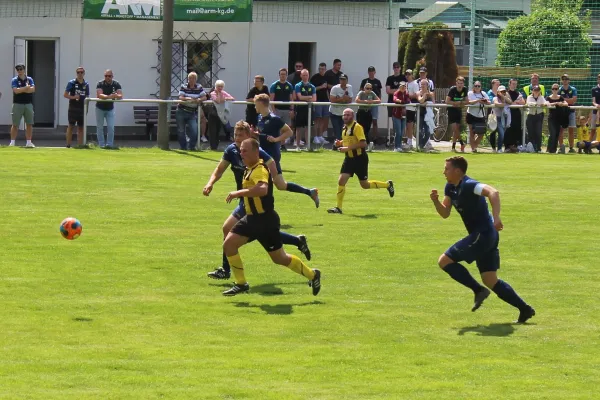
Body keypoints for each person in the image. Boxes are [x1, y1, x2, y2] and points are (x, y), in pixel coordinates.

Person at [430, 156, 535, 323]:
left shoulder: (470, 185)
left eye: (447, 169)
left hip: (484, 234)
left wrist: (496, 217)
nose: (443, 172)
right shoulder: (450, 188)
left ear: (458, 171)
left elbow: (493, 192)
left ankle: (478, 290)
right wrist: (436, 202)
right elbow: (445, 213)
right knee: (490, 279)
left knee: (444, 261)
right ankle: (525, 309)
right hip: (486, 237)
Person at [203, 121, 312, 280]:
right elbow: (219, 169)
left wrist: (276, 179)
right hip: (245, 201)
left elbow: (271, 163)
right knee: (251, 232)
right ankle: (296, 240)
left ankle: (227, 271)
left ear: (248, 136)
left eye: (241, 135)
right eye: (235, 135)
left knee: (237, 231)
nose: (237, 139)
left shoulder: (256, 152)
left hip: (255, 201)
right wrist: (210, 183)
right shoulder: (232, 150)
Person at [221, 138, 322, 296]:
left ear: (256, 152)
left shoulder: (260, 169)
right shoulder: (249, 168)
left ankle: (313, 275)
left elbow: (262, 189)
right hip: (251, 219)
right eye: (240, 150)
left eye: (245, 150)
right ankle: (241, 283)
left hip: (265, 221)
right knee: (229, 245)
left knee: (280, 258)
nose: (241, 153)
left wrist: (238, 193)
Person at [254, 94, 320, 207]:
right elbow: (263, 135)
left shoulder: (274, 119)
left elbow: (289, 132)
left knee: (264, 182)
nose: (254, 106)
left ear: (261, 104)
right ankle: (310, 192)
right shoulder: (260, 118)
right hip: (262, 154)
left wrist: (276, 139)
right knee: (280, 185)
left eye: (255, 104)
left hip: (272, 156)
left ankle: (266, 210)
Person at [327, 108, 394, 214]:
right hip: (349, 159)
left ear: (352, 116)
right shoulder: (345, 128)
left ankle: (387, 185)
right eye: (344, 115)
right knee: (341, 181)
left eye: (348, 115)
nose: (346, 117)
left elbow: (363, 143)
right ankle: (338, 208)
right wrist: (340, 143)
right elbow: (348, 141)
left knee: (365, 185)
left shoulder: (357, 127)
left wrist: (347, 148)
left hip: (360, 159)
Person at [176, 71, 207, 151]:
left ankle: (191, 147)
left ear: (196, 79)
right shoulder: (184, 86)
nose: (191, 80)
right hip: (181, 111)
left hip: (192, 112)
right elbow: (181, 97)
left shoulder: (199, 87)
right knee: (181, 131)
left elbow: (205, 97)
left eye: (193, 78)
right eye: (190, 78)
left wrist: (199, 99)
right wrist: (189, 99)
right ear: (188, 79)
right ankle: (183, 147)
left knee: (195, 131)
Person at [95, 69, 123, 149]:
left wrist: (115, 96)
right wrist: (110, 96)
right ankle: (101, 145)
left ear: (112, 76)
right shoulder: (100, 84)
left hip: (110, 109)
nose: (107, 77)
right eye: (106, 76)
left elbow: (120, 96)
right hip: (99, 108)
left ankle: (109, 145)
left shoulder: (116, 84)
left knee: (111, 127)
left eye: (109, 76)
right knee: (99, 127)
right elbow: (100, 95)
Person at [10, 64, 35, 147]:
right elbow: (16, 91)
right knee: (15, 124)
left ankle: (29, 142)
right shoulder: (15, 80)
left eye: (21, 69)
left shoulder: (29, 79)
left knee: (29, 123)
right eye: (18, 70)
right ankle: (12, 142)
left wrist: (22, 89)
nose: (19, 71)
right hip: (17, 104)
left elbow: (32, 90)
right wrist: (26, 88)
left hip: (28, 104)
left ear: (24, 70)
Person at [63, 66, 89, 148]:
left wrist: (86, 109)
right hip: (73, 108)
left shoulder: (86, 84)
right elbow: (65, 95)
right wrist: (74, 97)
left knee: (81, 128)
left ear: (84, 73)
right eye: (78, 72)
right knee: (71, 126)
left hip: (82, 108)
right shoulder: (72, 83)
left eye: (81, 72)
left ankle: (80, 145)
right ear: (76, 73)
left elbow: (87, 97)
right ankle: (68, 144)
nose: (80, 74)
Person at [359, 66, 383, 145]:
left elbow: (379, 93)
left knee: (374, 121)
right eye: (370, 71)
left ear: (374, 72)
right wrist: (364, 101)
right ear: (368, 72)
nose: (371, 72)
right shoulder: (364, 81)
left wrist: (376, 101)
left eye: (372, 71)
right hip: (365, 105)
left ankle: (375, 138)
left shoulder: (377, 81)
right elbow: (360, 91)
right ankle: (364, 137)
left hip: (374, 104)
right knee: (364, 121)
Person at [293, 69, 316, 148]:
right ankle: (298, 146)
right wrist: (309, 97)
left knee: (307, 127)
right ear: (301, 76)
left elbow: (314, 99)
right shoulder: (298, 85)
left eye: (306, 75)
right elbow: (299, 97)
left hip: (308, 109)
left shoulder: (312, 86)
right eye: (303, 75)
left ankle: (308, 146)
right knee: (299, 127)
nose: (305, 77)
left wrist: (306, 98)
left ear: (308, 75)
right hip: (300, 108)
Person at [355, 82, 381, 151]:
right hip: (361, 112)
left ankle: (367, 144)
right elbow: (356, 100)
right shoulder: (361, 93)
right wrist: (365, 101)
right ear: (364, 88)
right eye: (367, 88)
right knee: (360, 129)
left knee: (367, 129)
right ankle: (365, 144)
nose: (369, 90)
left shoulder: (372, 93)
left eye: (370, 88)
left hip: (368, 112)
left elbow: (379, 101)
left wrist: (372, 101)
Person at [466, 81, 490, 153]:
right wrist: (478, 100)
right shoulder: (470, 93)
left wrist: (484, 102)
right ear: (473, 86)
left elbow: (489, 102)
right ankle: (473, 148)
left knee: (481, 134)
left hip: (480, 115)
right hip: (471, 114)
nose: (477, 87)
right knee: (472, 132)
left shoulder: (483, 94)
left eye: (478, 86)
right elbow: (468, 102)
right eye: (476, 86)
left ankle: (475, 145)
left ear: (481, 87)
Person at [445, 76, 468, 152]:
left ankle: (453, 147)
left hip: (459, 110)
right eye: (458, 83)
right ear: (456, 83)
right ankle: (462, 143)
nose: (460, 85)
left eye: (461, 83)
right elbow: (447, 101)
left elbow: (466, 101)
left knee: (456, 130)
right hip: (451, 111)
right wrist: (455, 103)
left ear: (463, 84)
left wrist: (461, 103)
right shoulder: (452, 90)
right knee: (455, 128)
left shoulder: (464, 89)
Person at [545, 83, 569, 154]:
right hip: (551, 118)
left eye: (556, 89)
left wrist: (561, 103)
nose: (554, 90)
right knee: (552, 133)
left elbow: (566, 104)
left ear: (558, 90)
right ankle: (549, 149)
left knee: (556, 134)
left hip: (559, 118)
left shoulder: (560, 97)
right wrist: (556, 103)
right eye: (553, 89)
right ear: (551, 89)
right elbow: (547, 104)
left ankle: (553, 150)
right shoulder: (548, 97)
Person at [329, 74, 353, 142]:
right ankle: (337, 145)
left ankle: (342, 145)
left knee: (344, 130)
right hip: (334, 112)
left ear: (347, 80)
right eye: (341, 79)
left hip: (344, 113)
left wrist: (339, 99)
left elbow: (350, 99)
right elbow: (332, 100)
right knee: (337, 131)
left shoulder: (349, 87)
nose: (342, 81)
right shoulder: (335, 88)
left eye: (344, 79)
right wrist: (343, 99)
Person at [310, 63, 330, 144]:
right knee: (317, 119)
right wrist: (321, 87)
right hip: (317, 101)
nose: (321, 70)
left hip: (325, 101)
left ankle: (320, 136)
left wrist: (329, 100)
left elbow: (327, 90)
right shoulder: (315, 77)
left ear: (325, 69)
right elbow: (312, 88)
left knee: (323, 119)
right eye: (320, 69)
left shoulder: (326, 77)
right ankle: (315, 137)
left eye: (323, 69)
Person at [558, 74, 578, 153]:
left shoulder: (573, 89)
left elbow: (573, 100)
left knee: (571, 130)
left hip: (571, 111)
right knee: (561, 130)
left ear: (569, 80)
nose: (565, 80)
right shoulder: (559, 89)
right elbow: (558, 100)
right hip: (562, 112)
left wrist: (563, 100)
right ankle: (561, 147)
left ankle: (571, 147)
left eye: (566, 79)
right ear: (562, 80)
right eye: (563, 79)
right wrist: (567, 100)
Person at [492, 85, 512, 153]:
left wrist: (504, 97)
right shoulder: (495, 98)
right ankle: (499, 148)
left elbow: (510, 102)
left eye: (504, 91)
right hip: (498, 118)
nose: (503, 93)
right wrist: (503, 103)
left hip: (505, 118)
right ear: (498, 92)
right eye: (501, 91)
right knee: (501, 134)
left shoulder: (505, 98)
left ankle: (499, 148)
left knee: (503, 134)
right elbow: (497, 104)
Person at [525, 85, 545, 152]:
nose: (536, 92)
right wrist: (536, 104)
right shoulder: (529, 97)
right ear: (532, 91)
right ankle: (531, 148)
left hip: (539, 116)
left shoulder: (541, 97)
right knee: (531, 133)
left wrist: (544, 104)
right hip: (530, 116)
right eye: (535, 90)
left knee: (538, 133)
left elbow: (545, 103)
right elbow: (528, 103)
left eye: (538, 90)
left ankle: (538, 148)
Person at [392, 82, 410, 151]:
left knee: (402, 132)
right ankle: (396, 147)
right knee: (398, 131)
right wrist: (400, 101)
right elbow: (395, 99)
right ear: (399, 87)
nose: (403, 88)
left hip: (404, 115)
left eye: (404, 86)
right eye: (402, 86)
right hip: (396, 115)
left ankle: (399, 146)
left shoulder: (406, 93)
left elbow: (408, 100)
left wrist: (405, 101)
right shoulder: (396, 93)